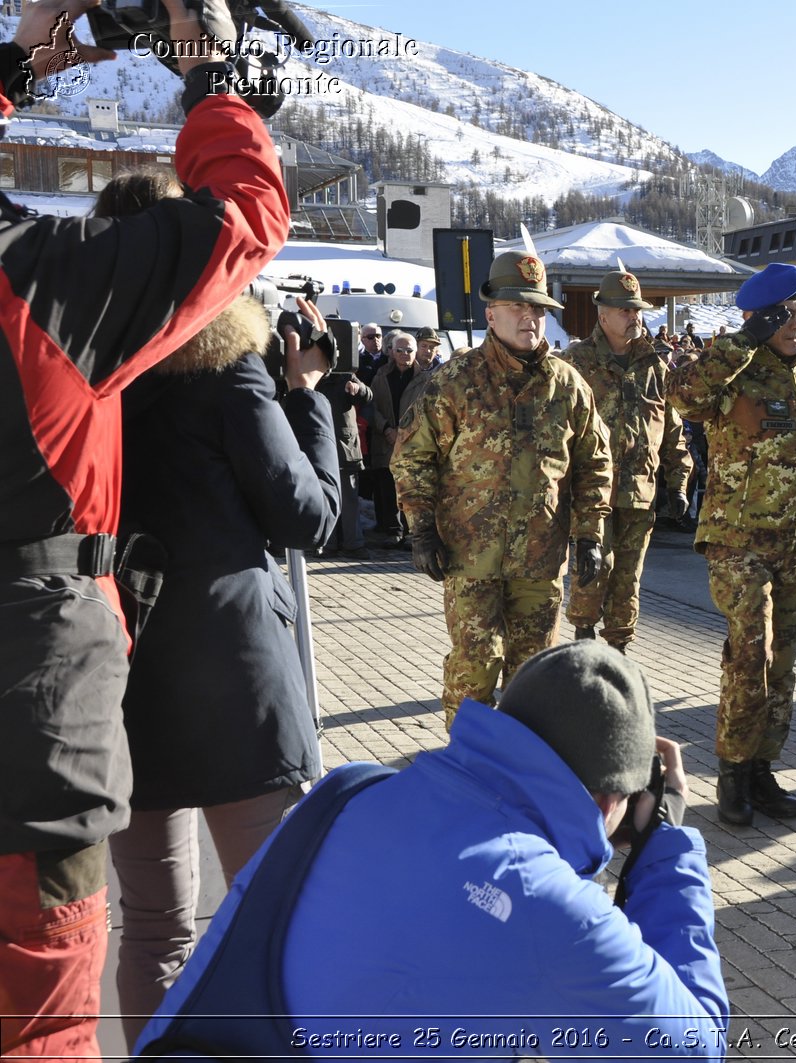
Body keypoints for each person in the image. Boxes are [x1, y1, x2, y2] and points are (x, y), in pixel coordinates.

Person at [0, 2, 290, 1057]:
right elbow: (249, 208)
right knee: (39, 1022)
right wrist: (205, 63)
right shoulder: (44, 281)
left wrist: (21, 61)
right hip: (30, 736)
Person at [134, 642, 728, 1059]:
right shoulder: (548, 906)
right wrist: (666, 845)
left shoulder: (350, 789)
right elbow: (694, 1048)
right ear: (610, 799)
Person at [113, 284, 340, 1044]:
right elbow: (307, 515)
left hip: (127, 680)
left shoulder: (93, 371)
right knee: (274, 918)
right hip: (237, 688)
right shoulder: (229, 372)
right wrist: (306, 393)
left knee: (152, 932)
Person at [666, 263, 796, 826]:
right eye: (783, 316)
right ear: (759, 318)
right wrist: (742, 342)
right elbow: (683, 396)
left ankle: (763, 769)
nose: (795, 323)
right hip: (739, 543)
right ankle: (732, 771)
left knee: (781, 660)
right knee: (750, 653)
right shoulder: (734, 370)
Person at [392, 252, 611, 729]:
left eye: (537, 309)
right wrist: (421, 529)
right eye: (518, 306)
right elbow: (413, 458)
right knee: (474, 670)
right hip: (471, 557)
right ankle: (468, 773)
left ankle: (521, 777)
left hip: (540, 557)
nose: (529, 317)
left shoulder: (568, 386)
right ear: (491, 313)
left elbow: (594, 462)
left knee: (534, 677)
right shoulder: (454, 382)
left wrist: (590, 533)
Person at [563, 269, 693, 653]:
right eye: (626, 311)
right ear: (603, 315)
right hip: (592, 494)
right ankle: (584, 638)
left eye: (638, 310)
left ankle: (618, 647)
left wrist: (679, 482)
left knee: (628, 576)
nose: (635, 317)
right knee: (591, 569)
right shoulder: (577, 362)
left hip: (640, 491)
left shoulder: (654, 365)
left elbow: (672, 430)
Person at [368, 330, 429, 548]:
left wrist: (403, 433)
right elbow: (372, 406)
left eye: (409, 350)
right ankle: (392, 530)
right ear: (392, 352)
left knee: (409, 487)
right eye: (400, 350)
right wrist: (386, 429)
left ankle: (411, 532)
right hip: (385, 440)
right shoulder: (380, 375)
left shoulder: (425, 379)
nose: (405, 354)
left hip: (411, 441)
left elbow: (426, 410)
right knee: (386, 485)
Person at [315, 356, 374, 559]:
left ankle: (353, 544)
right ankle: (328, 543)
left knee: (349, 500)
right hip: (319, 447)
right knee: (324, 497)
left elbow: (368, 396)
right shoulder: (310, 377)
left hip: (344, 448)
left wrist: (359, 389)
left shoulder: (345, 376)